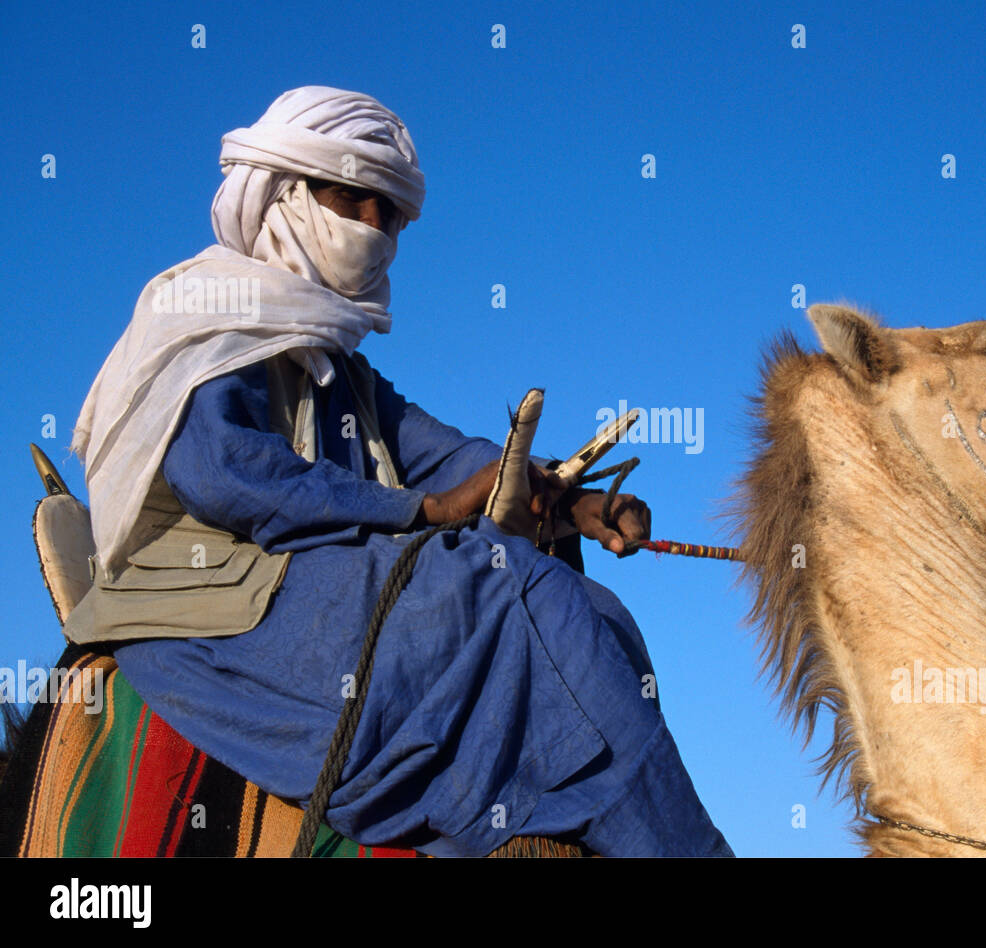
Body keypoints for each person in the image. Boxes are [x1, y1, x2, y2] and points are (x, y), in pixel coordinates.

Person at [65, 86, 733, 857]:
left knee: (596, 610)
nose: (374, 231)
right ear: (287, 194)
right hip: (209, 604)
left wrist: (566, 497)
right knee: (516, 593)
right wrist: (427, 513)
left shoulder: (336, 362)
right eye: (354, 200)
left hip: (305, 573)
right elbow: (226, 473)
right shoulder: (206, 316)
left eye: (391, 214)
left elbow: (442, 453)